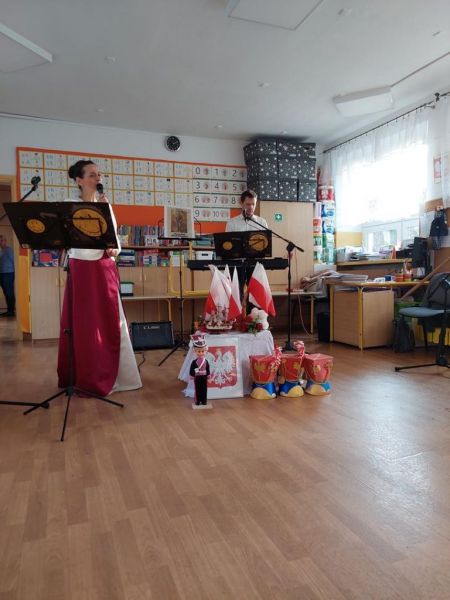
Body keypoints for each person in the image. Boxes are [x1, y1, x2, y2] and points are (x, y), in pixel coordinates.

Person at [57, 160, 142, 397]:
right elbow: (69, 239)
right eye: (92, 175)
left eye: (99, 174)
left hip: (104, 267)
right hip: (82, 268)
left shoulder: (106, 204)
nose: (98, 178)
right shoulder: (69, 205)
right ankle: (84, 376)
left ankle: (116, 376)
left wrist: (116, 248)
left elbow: (115, 240)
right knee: (85, 322)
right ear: (79, 180)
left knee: (109, 319)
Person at [189, 333, 211, 408]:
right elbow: (192, 369)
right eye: (198, 351)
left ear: (205, 351)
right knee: (197, 389)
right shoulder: (194, 362)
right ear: (195, 351)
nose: (201, 353)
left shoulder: (206, 361)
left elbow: (207, 368)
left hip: (204, 377)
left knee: (204, 389)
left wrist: (208, 376)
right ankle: (198, 401)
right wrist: (192, 375)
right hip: (197, 377)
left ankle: (204, 401)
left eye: (202, 351)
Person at [0, 235, 15, 317]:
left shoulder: (8, 250)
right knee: (6, 293)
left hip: (8, 273)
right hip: (2, 274)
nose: (3, 242)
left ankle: (11, 311)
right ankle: (9, 310)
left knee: (9, 293)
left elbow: (14, 261)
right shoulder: (1, 250)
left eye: (4, 240)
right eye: (1, 240)